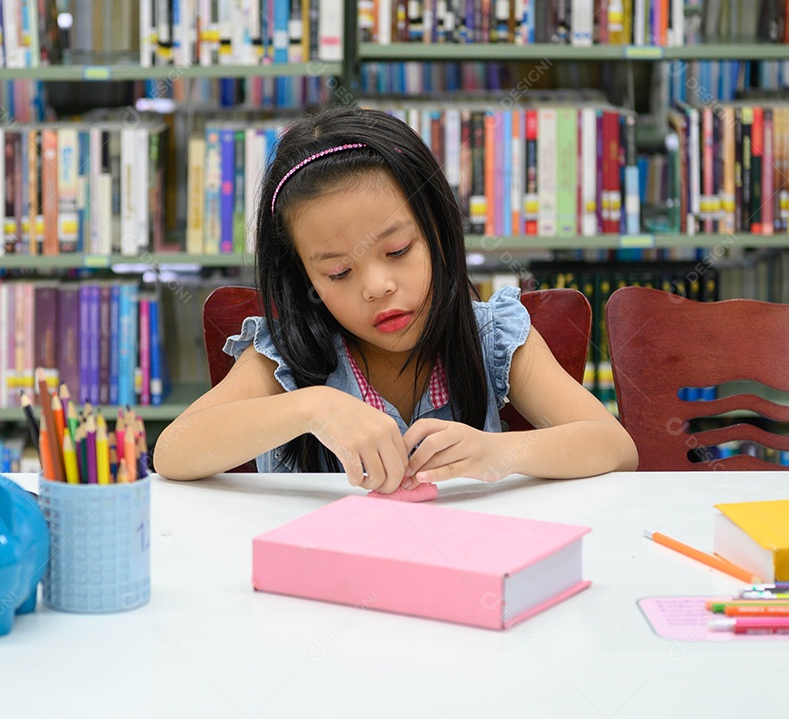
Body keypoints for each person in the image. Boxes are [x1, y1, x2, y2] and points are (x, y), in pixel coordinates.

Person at [152, 105, 638, 492]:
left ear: (439, 234)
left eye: (398, 250)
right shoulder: (285, 356)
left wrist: (500, 454)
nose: (377, 286)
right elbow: (173, 451)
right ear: (304, 279)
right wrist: (314, 407)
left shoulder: (491, 337)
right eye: (339, 272)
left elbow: (615, 448)